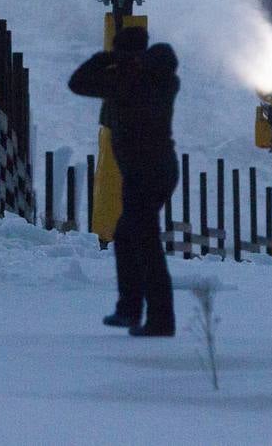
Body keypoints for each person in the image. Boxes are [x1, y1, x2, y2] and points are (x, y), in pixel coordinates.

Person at [68, 25, 180, 337]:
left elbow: (77, 83)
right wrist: (135, 60)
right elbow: (165, 56)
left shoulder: (124, 80)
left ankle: (158, 319)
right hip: (161, 168)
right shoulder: (162, 78)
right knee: (130, 236)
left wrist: (103, 58)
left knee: (143, 242)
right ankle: (131, 310)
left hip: (143, 171)